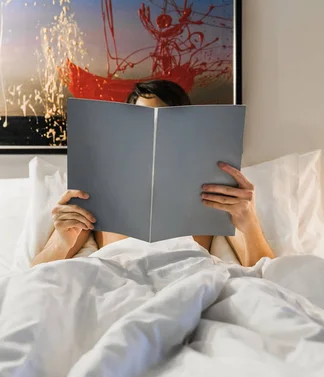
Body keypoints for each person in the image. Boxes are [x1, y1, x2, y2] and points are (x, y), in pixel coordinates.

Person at [32, 80, 274, 267]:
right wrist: (61, 241)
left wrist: (248, 220)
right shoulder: (98, 187)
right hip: (117, 281)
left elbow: (263, 271)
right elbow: (36, 276)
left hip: (187, 279)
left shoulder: (213, 190)